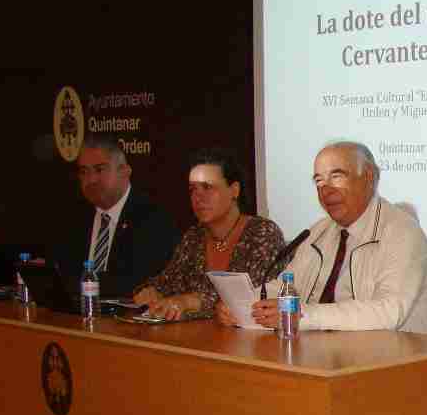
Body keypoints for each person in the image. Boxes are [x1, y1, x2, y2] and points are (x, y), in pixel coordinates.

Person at [216, 141, 427, 334]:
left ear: (369, 177)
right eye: (319, 181)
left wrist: (303, 315)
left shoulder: (403, 232)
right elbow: (288, 286)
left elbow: (389, 311)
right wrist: (245, 306)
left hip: (401, 365)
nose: (325, 191)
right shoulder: (319, 231)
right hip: (330, 355)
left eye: (337, 176)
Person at [133, 148, 286, 320]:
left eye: (207, 187)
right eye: (192, 189)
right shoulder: (194, 237)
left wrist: (191, 301)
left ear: (234, 190)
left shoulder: (263, 233)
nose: (198, 197)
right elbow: (165, 282)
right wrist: (150, 291)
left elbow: (256, 297)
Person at [48, 133, 179, 298]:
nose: (91, 179)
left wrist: (74, 284)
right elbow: (61, 271)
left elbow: (138, 282)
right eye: (84, 172)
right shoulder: (73, 216)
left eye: (99, 169)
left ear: (125, 171)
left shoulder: (154, 218)